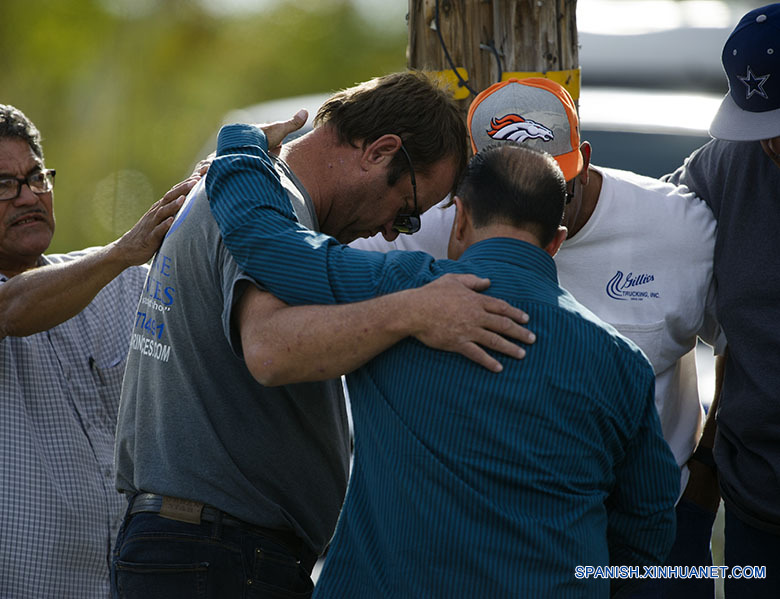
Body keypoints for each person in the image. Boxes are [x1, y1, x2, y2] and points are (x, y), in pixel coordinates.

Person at [111, 71, 537, 599]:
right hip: (216, 556)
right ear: (380, 151)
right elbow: (270, 349)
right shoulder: (274, 203)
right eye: (405, 214)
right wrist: (414, 310)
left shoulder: (253, 188)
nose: (388, 233)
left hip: (203, 550)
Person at [207, 133, 679, 596]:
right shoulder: (623, 363)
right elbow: (647, 527)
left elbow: (266, 241)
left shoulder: (401, 286)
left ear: (461, 219)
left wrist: (240, 143)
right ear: (556, 241)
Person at [352, 77, 723, 597]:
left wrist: (707, 475)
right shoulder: (416, 232)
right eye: (503, 194)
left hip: (658, 530)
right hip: (485, 538)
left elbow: (741, 345)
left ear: (586, 157)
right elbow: (310, 257)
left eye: (562, 188)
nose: (543, 206)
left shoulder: (679, 227)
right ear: (465, 187)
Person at [0, 103, 194, 598]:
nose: (29, 196)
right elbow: (11, 309)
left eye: (36, 177)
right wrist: (122, 251)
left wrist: (227, 172)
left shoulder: (110, 281)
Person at [666, 4, 780, 597]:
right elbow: (644, 234)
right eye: (758, 125)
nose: (768, 145)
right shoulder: (729, 163)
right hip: (756, 501)